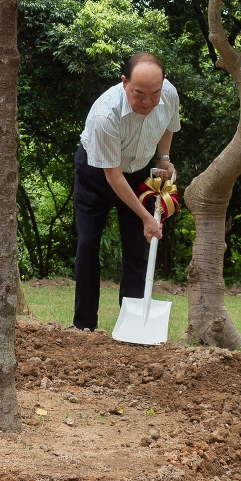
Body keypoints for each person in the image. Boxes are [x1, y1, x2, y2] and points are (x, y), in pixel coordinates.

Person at [72, 53, 180, 331]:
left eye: (154, 93)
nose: (148, 101)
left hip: (138, 172)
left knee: (137, 248)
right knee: (88, 245)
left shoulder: (169, 94)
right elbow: (113, 176)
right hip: (97, 174)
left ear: (163, 84)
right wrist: (146, 217)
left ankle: (132, 326)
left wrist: (163, 158)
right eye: (139, 93)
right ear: (124, 82)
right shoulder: (105, 114)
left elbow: (169, 124)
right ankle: (84, 326)